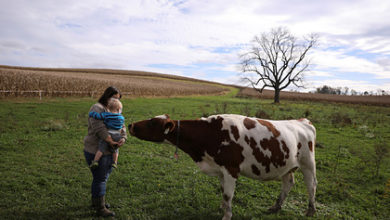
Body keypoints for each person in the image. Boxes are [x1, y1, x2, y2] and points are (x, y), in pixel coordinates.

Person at [83, 86, 126, 217]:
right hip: (96, 149)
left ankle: (96, 201)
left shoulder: (115, 108)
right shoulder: (97, 108)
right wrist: (110, 141)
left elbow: (122, 125)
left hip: (110, 149)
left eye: (117, 98)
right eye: (113, 97)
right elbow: (98, 128)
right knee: (101, 178)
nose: (115, 100)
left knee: (100, 178)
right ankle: (100, 208)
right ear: (106, 96)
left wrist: (123, 137)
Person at [89, 98, 125, 170]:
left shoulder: (106, 115)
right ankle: (114, 162)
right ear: (119, 109)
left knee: (101, 149)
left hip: (109, 134)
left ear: (108, 108)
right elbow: (122, 126)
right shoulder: (121, 118)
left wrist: (91, 113)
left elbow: (98, 116)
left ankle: (95, 161)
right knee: (115, 150)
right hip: (118, 135)